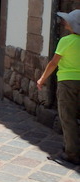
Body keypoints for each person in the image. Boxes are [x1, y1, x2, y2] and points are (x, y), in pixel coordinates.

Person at [37, 9, 80, 165]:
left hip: (67, 82)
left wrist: (42, 79)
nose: (64, 22)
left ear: (73, 25)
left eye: (67, 20)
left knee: (67, 117)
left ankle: (72, 153)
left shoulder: (66, 41)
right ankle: (72, 145)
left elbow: (53, 63)